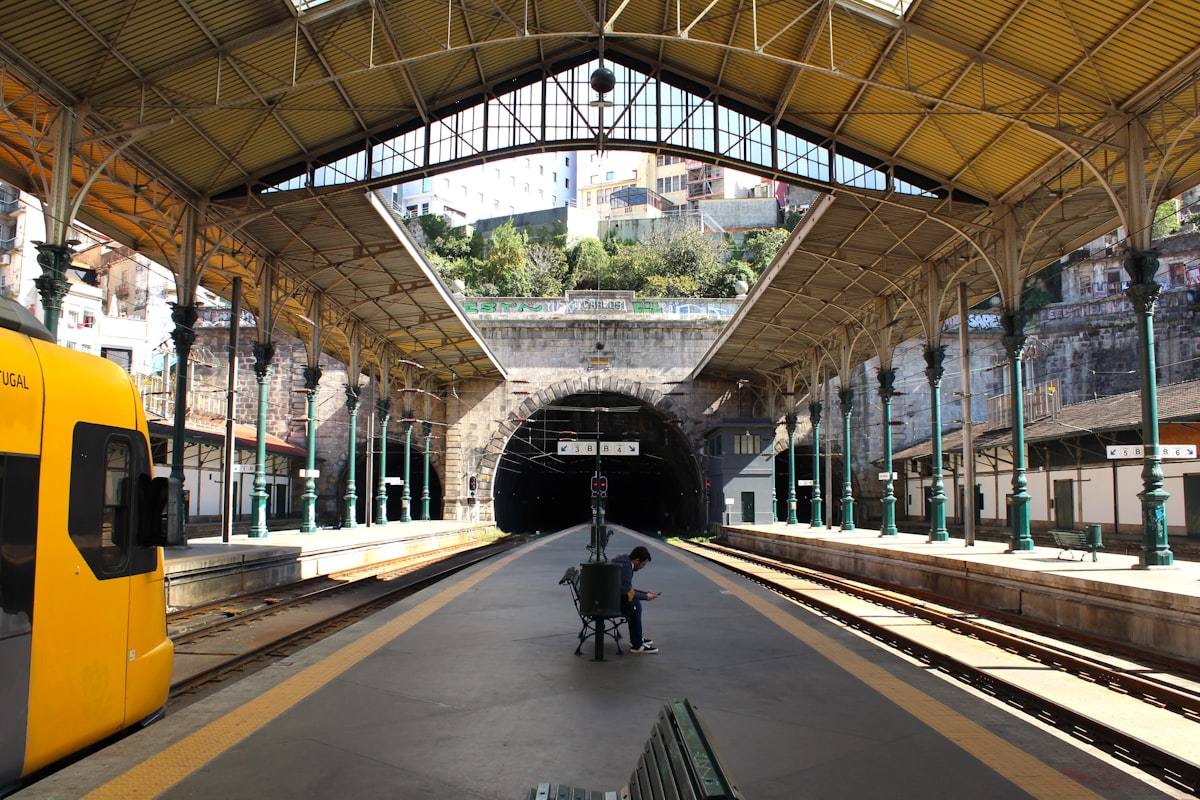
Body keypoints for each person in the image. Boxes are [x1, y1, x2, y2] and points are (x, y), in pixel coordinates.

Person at [613, 546, 660, 654]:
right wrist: (645, 596)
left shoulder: (623, 562)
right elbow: (626, 591)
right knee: (635, 606)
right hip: (608, 603)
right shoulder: (626, 568)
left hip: (605, 597)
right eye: (643, 564)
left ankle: (637, 638)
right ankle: (637, 644)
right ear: (637, 560)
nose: (643, 567)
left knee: (634, 603)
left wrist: (645, 593)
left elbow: (628, 589)